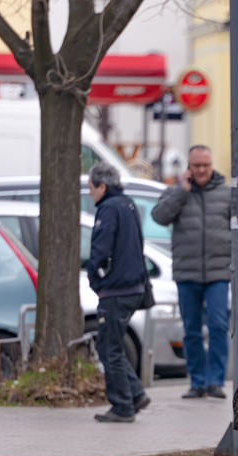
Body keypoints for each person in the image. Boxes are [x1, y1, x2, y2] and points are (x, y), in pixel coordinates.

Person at [152, 145, 232, 399]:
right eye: (196, 165)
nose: (201, 170)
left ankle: (215, 382)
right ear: (189, 166)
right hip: (187, 273)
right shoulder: (176, 192)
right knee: (192, 331)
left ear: (211, 165)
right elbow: (159, 216)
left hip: (218, 273)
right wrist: (181, 192)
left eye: (205, 165)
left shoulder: (226, 193)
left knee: (218, 326)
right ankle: (197, 382)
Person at [87, 163, 152, 423]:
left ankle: (123, 405)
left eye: (91, 187)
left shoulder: (109, 208)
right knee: (111, 345)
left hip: (115, 289)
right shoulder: (128, 204)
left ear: (102, 186)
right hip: (133, 287)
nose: (90, 193)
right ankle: (135, 394)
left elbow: (100, 250)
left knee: (108, 348)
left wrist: (94, 278)